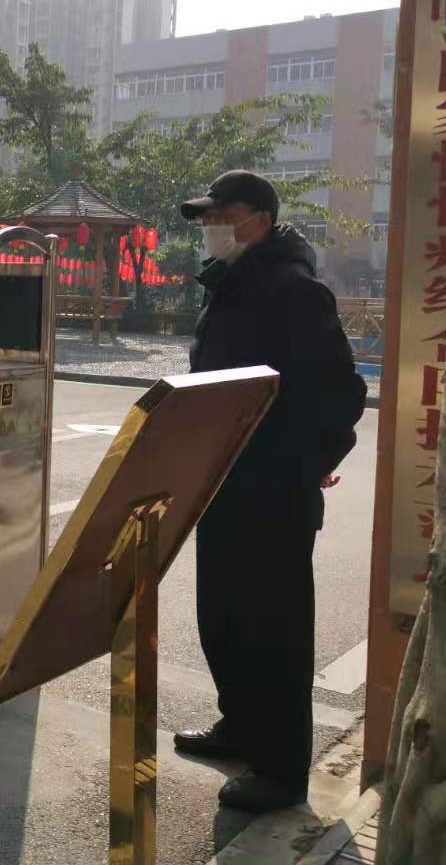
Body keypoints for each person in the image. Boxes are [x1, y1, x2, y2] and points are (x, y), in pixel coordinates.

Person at [172, 171, 366, 814]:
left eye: (218, 216)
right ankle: (241, 726)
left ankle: (281, 771)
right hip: (222, 482)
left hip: (272, 494)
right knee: (224, 619)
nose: (209, 228)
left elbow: (341, 393)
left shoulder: (293, 290)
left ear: (257, 218)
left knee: (273, 633)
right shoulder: (229, 284)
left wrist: (306, 466)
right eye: (205, 219)